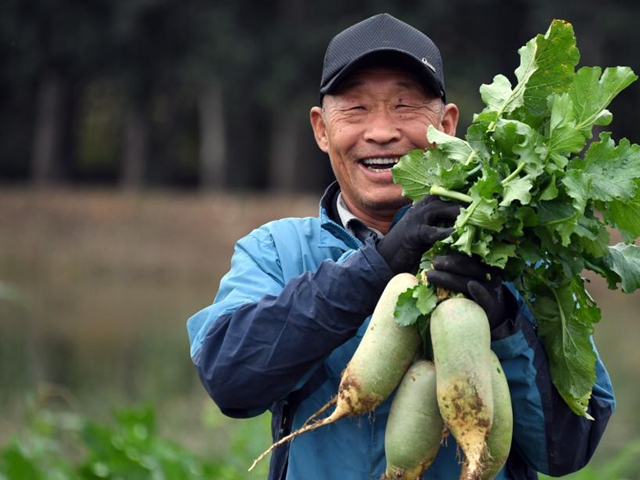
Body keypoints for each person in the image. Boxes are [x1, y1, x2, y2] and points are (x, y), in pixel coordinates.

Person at [187, 13, 615, 480]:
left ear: (447, 124)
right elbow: (229, 379)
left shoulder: (516, 254)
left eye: (405, 106)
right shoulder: (275, 252)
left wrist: (503, 323)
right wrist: (376, 267)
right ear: (321, 129)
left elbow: (569, 449)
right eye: (356, 109)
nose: (382, 131)